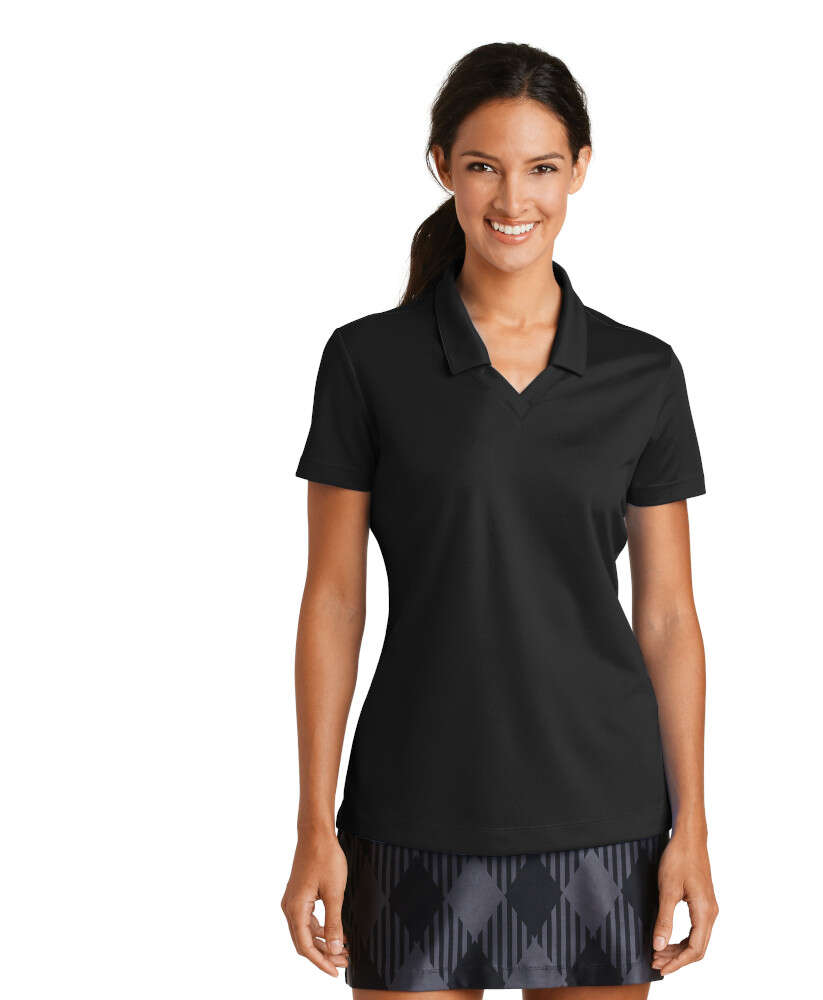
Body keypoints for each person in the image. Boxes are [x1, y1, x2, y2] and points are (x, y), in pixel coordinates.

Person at [281, 41, 718, 996]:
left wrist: (691, 826)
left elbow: (668, 617)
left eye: (542, 168)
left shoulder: (643, 374)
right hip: (412, 802)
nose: (513, 198)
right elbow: (334, 599)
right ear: (442, 165)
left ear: (580, 171)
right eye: (484, 165)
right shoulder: (366, 362)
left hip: (604, 810)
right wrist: (315, 821)